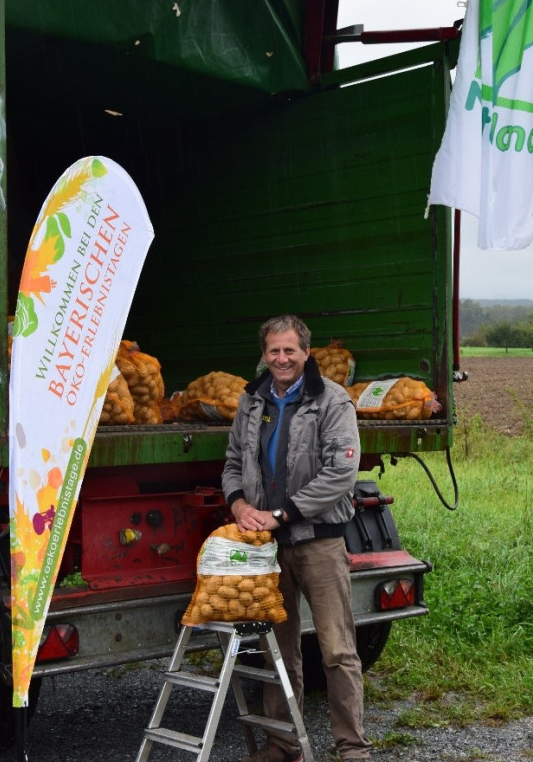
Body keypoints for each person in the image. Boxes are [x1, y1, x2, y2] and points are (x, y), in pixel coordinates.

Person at [222, 315, 373, 762]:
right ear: (264, 355)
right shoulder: (252, 401)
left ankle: (352, 748)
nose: (282, 359)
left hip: (317, 543)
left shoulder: (332, 400)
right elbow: (233, 461)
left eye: (290, 350)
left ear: (307, 353)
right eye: (274, 351)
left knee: (337, 650)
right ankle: (283, 745)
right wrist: (240, 506)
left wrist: (282, 514)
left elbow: (341, 473)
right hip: (269, 546)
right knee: (278, 651)